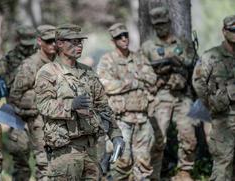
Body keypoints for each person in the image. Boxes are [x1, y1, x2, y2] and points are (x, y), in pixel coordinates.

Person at [34, 24, 124, 180]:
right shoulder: (48, 72)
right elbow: (43, 105)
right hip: (65, 151)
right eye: (73, 42)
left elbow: (103, 107)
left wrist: (116, 135)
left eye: (80, 42)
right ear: (60, 43)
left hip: (91, 148)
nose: (79, 46)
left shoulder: (87, 72)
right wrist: (71, 105)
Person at [141, 6, 197, 181]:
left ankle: (184, 172)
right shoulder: (148, 47)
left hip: (182, 96)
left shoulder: (183, 42)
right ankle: (154, 175)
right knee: (158, 140)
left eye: (163, 24)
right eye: (157, 25)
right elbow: (141, 72)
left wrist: (179, 63)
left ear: (169, 23)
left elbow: (192, 63)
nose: (161, 28)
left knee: (189, 137)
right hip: (161, 96)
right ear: (153, 26)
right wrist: (158, 72)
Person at [97, 23, 157, 180]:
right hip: (121, 120)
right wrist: (133, 82)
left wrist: (123, 82)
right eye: (119, 37)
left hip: (142, 119)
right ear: (113, 40)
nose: (123, 38)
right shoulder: (107, 60)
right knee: (122, 161)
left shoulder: (139, 58)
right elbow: (105, 84)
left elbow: (152, 78)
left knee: (144, 163)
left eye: (125, 35)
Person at [8, 24, 56, 181]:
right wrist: (31, 108)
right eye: (49, 41)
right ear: (40, 41)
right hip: (33, 121)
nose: (53, 44)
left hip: (55, 121)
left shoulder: (60, 63)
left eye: (56, 41)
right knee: (41, 163)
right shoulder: (30, 65)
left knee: (52, 164)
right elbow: (14, 95)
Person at [192, 15, 235, 181]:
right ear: (224, 31)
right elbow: (198, 83)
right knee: (223, 166)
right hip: (223, 120)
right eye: (232, 30)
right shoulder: (211, 56)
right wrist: (213, 103)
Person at [0, 25, 37, 92]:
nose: (28, 49)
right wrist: (20, 70)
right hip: (16, 97)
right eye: (25, 46)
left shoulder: (39, 56)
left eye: (30, 46)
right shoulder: (7, 60)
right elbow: (4, 83)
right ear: (17, 40)